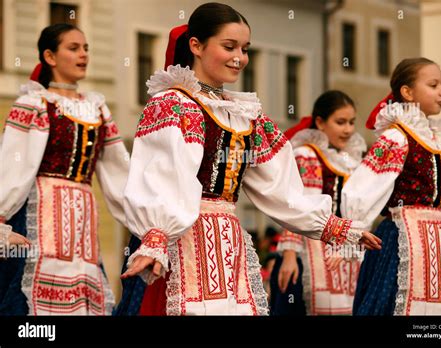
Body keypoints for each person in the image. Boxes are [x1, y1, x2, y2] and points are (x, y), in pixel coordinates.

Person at [116, 2, 381, 316]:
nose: (239, 58)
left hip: (229, 246)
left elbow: (279, 190)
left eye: (244, 49)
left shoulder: (245, 116)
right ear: (196, 46)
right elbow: (160, 177)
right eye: (229, 46)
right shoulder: (174, 104)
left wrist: (335, 227)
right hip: (179, 244)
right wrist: (156, 235)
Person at [0, 23, 130, 315]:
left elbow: (120, 171)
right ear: (50, 56)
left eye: (86, 49)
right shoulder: (33, 103)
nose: (83, 55)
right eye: (73, 48)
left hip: (83, 220)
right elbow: (11, 166)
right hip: (39, 214)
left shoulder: (97, 108)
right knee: (30, 304)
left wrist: (149, 225)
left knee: (85, 295)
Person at [341, 57, 441, 315]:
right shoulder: (397, 136)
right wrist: (353, 230)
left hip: (437, 241)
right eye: (434, 85)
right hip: (402, 238)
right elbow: (365, 186)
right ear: (407, 92)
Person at [270, 91, 366, 316]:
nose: (348, 129)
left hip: (346, 249)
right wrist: (290, 255)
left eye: (352, 122)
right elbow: (297, 206)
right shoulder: (308, 154)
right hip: (313, 247)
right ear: (320, 123)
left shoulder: (348, 159)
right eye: (340, 122)